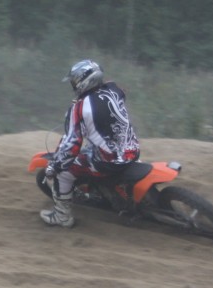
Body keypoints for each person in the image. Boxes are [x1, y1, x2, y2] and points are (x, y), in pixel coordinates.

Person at [41, 59, 140, 228]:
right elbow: (121, 95)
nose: (73, 85)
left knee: (64, 172)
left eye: (74, 81)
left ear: (84, 81)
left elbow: (72, 144)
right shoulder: (115, 90)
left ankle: (62, 216)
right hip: (132, 150)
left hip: (108, 161)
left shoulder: (79, 109)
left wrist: (56, 166)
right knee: (96, 146)